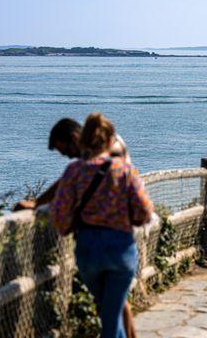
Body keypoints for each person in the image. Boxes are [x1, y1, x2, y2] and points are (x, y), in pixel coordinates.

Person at [14, 117, 139, 338]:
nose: (68, 157)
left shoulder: (106, 150)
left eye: (66, 151)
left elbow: (68, 182)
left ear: (74, 138)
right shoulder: (93, 153)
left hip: (108, 235)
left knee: (112, 308)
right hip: (119, 234)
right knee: (115, 305)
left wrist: (38, 203)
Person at [50, 113, 153, 338]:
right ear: (108, 141)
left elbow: (60, 215)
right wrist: (129, 219)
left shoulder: (73, 172)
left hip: (88, 249)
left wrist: (68, 226)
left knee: (108, 312)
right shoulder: (124, 171)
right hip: (120, 248)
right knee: (111, 314)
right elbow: (145, 211)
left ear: (83, 140)